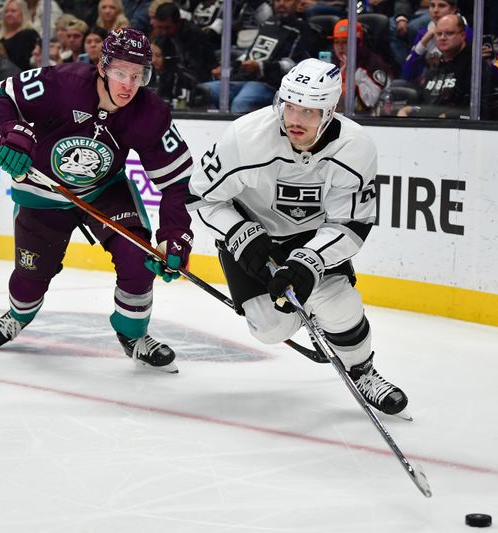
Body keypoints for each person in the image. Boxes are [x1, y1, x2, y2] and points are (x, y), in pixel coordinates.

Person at [187, 57, 409, 415]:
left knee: (340, 306)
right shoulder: (245, 137)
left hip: (309, 237)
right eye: (289, 106)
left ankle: (363, 370)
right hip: (251, 236)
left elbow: (351, 223)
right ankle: (307, 315)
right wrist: (239, 232)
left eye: (308, 111)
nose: (294, 120)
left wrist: (310, 261)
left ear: (330, 111)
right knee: (271, 328)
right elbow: (200, 197)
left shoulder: (355, 148)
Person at [0, 28, 194, 373]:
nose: (128, 85)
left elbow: (176, 183)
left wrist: (175, 234)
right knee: (30, 278)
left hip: (104, 190)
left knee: (139, 256)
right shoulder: (61, 83)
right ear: (103, 67)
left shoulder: (149, 113)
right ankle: (20, 313)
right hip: (41, 193)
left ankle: (133, 335)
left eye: (138, 76)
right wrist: (9, 133)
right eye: (121, 72)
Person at [199, 0, 320, 113]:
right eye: (278, 0)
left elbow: (297, 65)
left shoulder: (305, 30)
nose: (281, 3)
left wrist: (261, 66)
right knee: (204, 91)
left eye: (287, 0)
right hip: (245, 80)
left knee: (242, 101)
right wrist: (227, 68)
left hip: (273, 86)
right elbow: (250, 54)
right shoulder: (269, 22)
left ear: (298, 4)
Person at [397, 14, 489, 118]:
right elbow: (424, 107)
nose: (442, 38)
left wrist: (448, 117)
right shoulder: (434, 70)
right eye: (438, 34)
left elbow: (478, 109)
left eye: (449, 33)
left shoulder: (475, 66)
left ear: (463, 35)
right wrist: (409, 110)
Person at [329, 19, 394, 115]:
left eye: (345, 42)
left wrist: (351, 75)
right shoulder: (333, 64)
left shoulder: (372, 65)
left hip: (367, 120)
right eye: (336, 42)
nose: (340, 47)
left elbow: (369, 102)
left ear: (358, 43)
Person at [401, 0, 471, 82]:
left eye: (441, 6)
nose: (435, 10)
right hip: (427, 85)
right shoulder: (423, 33)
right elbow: (406, 75)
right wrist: (423, 43)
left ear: (453, 9)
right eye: (432, 5)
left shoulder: (466, 33)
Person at [151, 2, 216, 83]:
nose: (164, 32)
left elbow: (195, 67)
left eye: (168, 28)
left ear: (179, 22)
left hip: (198, 79)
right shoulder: (163, 37)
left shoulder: (194, 35)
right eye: (160, 27)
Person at [0, 0, 40, 71]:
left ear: (23, 13)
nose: (9, 14)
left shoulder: (29, 34)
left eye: (13, 11)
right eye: (6, 11)